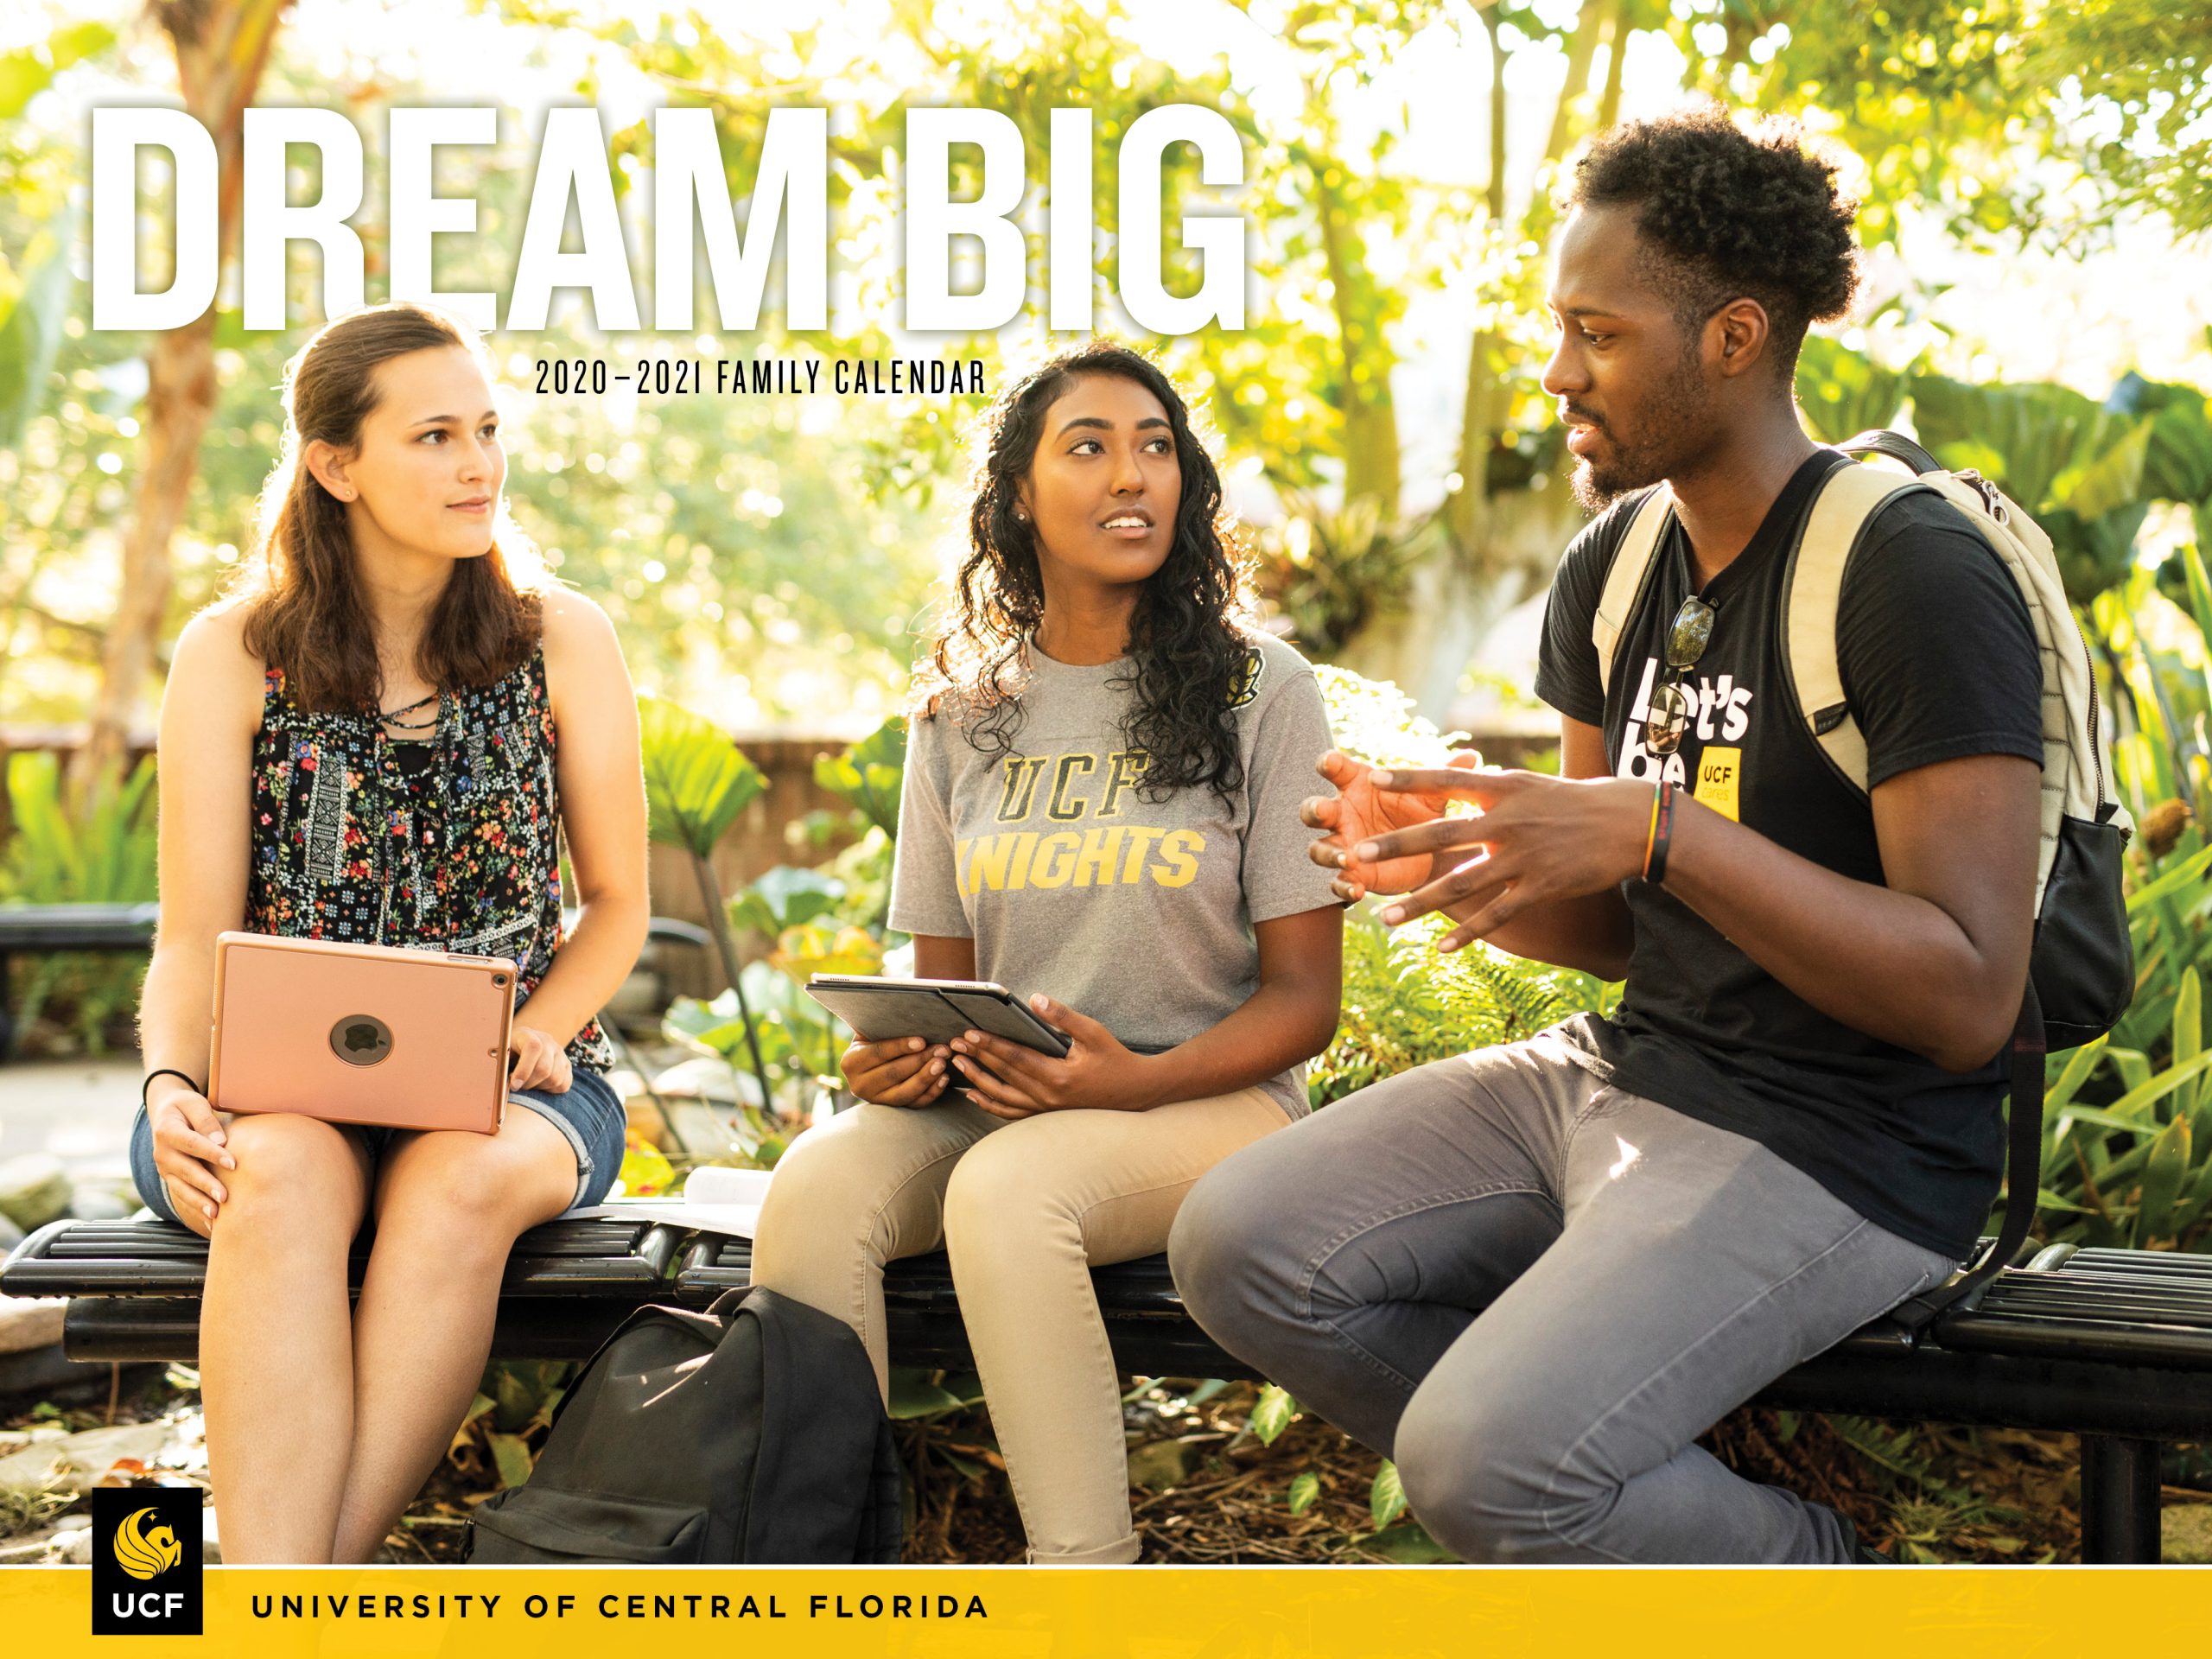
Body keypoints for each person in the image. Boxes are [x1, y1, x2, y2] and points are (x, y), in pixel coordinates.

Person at [1169, 107, 2046, 1564]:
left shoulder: (1906, 569)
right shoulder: (1619, 562)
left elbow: (1968, 1000)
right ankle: (1591, 1488)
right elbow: (1614, 925)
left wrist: (1660, 830)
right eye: (1557, 328)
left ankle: (1826, 1577)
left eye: (1598, 332)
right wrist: (1460, 860)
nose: (1559, 372)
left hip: (1847, 1140)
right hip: (1629, 1072)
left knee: (1482, 1465)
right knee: (1237, 1246)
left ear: (1735, 337)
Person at [750, 340, 1344, 1564]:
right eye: (1090, 447)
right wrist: (899, 1065)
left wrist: (1126, 1080)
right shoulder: (964, 710)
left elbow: (1305, 1002)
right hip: (1011, 1095)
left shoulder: (1260, 690)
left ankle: (1086, 1598)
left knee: (1012, 1193)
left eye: (1156, 447)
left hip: (1214, 1099)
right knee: (815, 1183)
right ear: (1018, 493)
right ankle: (833, 1574)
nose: (1132, 476)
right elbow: (941, 981)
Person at [130, 302, 649, 1563]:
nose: (479, 464)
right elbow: (191, 937)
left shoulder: (559, 639)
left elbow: (618, 910)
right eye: (434, 436)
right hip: (278, 1088)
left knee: (455, 1180)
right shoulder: (232, 656)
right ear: (336, 465)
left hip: (524, 1080)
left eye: (485, 429)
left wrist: (533, 1029)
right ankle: (298, 1608)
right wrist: (167, 1086)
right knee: (280, 1173)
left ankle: (286, 1609)